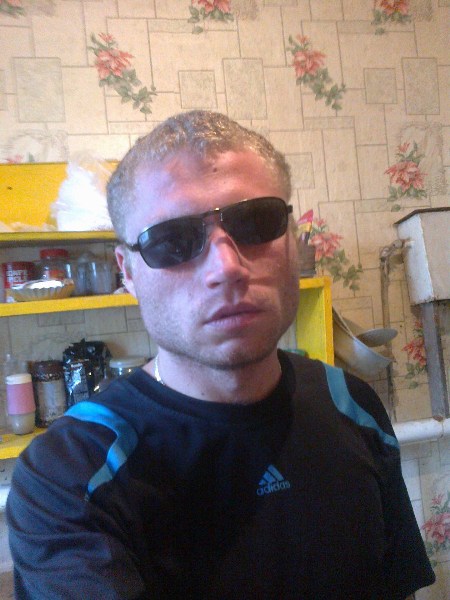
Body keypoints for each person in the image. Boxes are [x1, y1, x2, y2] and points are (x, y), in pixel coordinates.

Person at [7, 110, 435, 599]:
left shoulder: (352, 403)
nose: (227, 267)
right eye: (172, 240)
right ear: (127, 272)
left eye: (256, 222)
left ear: (292, 241)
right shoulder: (67, 473)